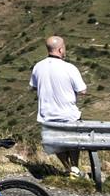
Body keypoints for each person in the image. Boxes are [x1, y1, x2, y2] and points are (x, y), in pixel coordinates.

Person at [32, 35, 88, 176]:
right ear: (61, 49)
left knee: (56, 144)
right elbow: (82, 90)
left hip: (47, 115)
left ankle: (67, 168)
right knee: (74, 143)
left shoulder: (38, 67)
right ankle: (74, 168)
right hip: (68, 115)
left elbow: (33, 86)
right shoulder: (69, 68)